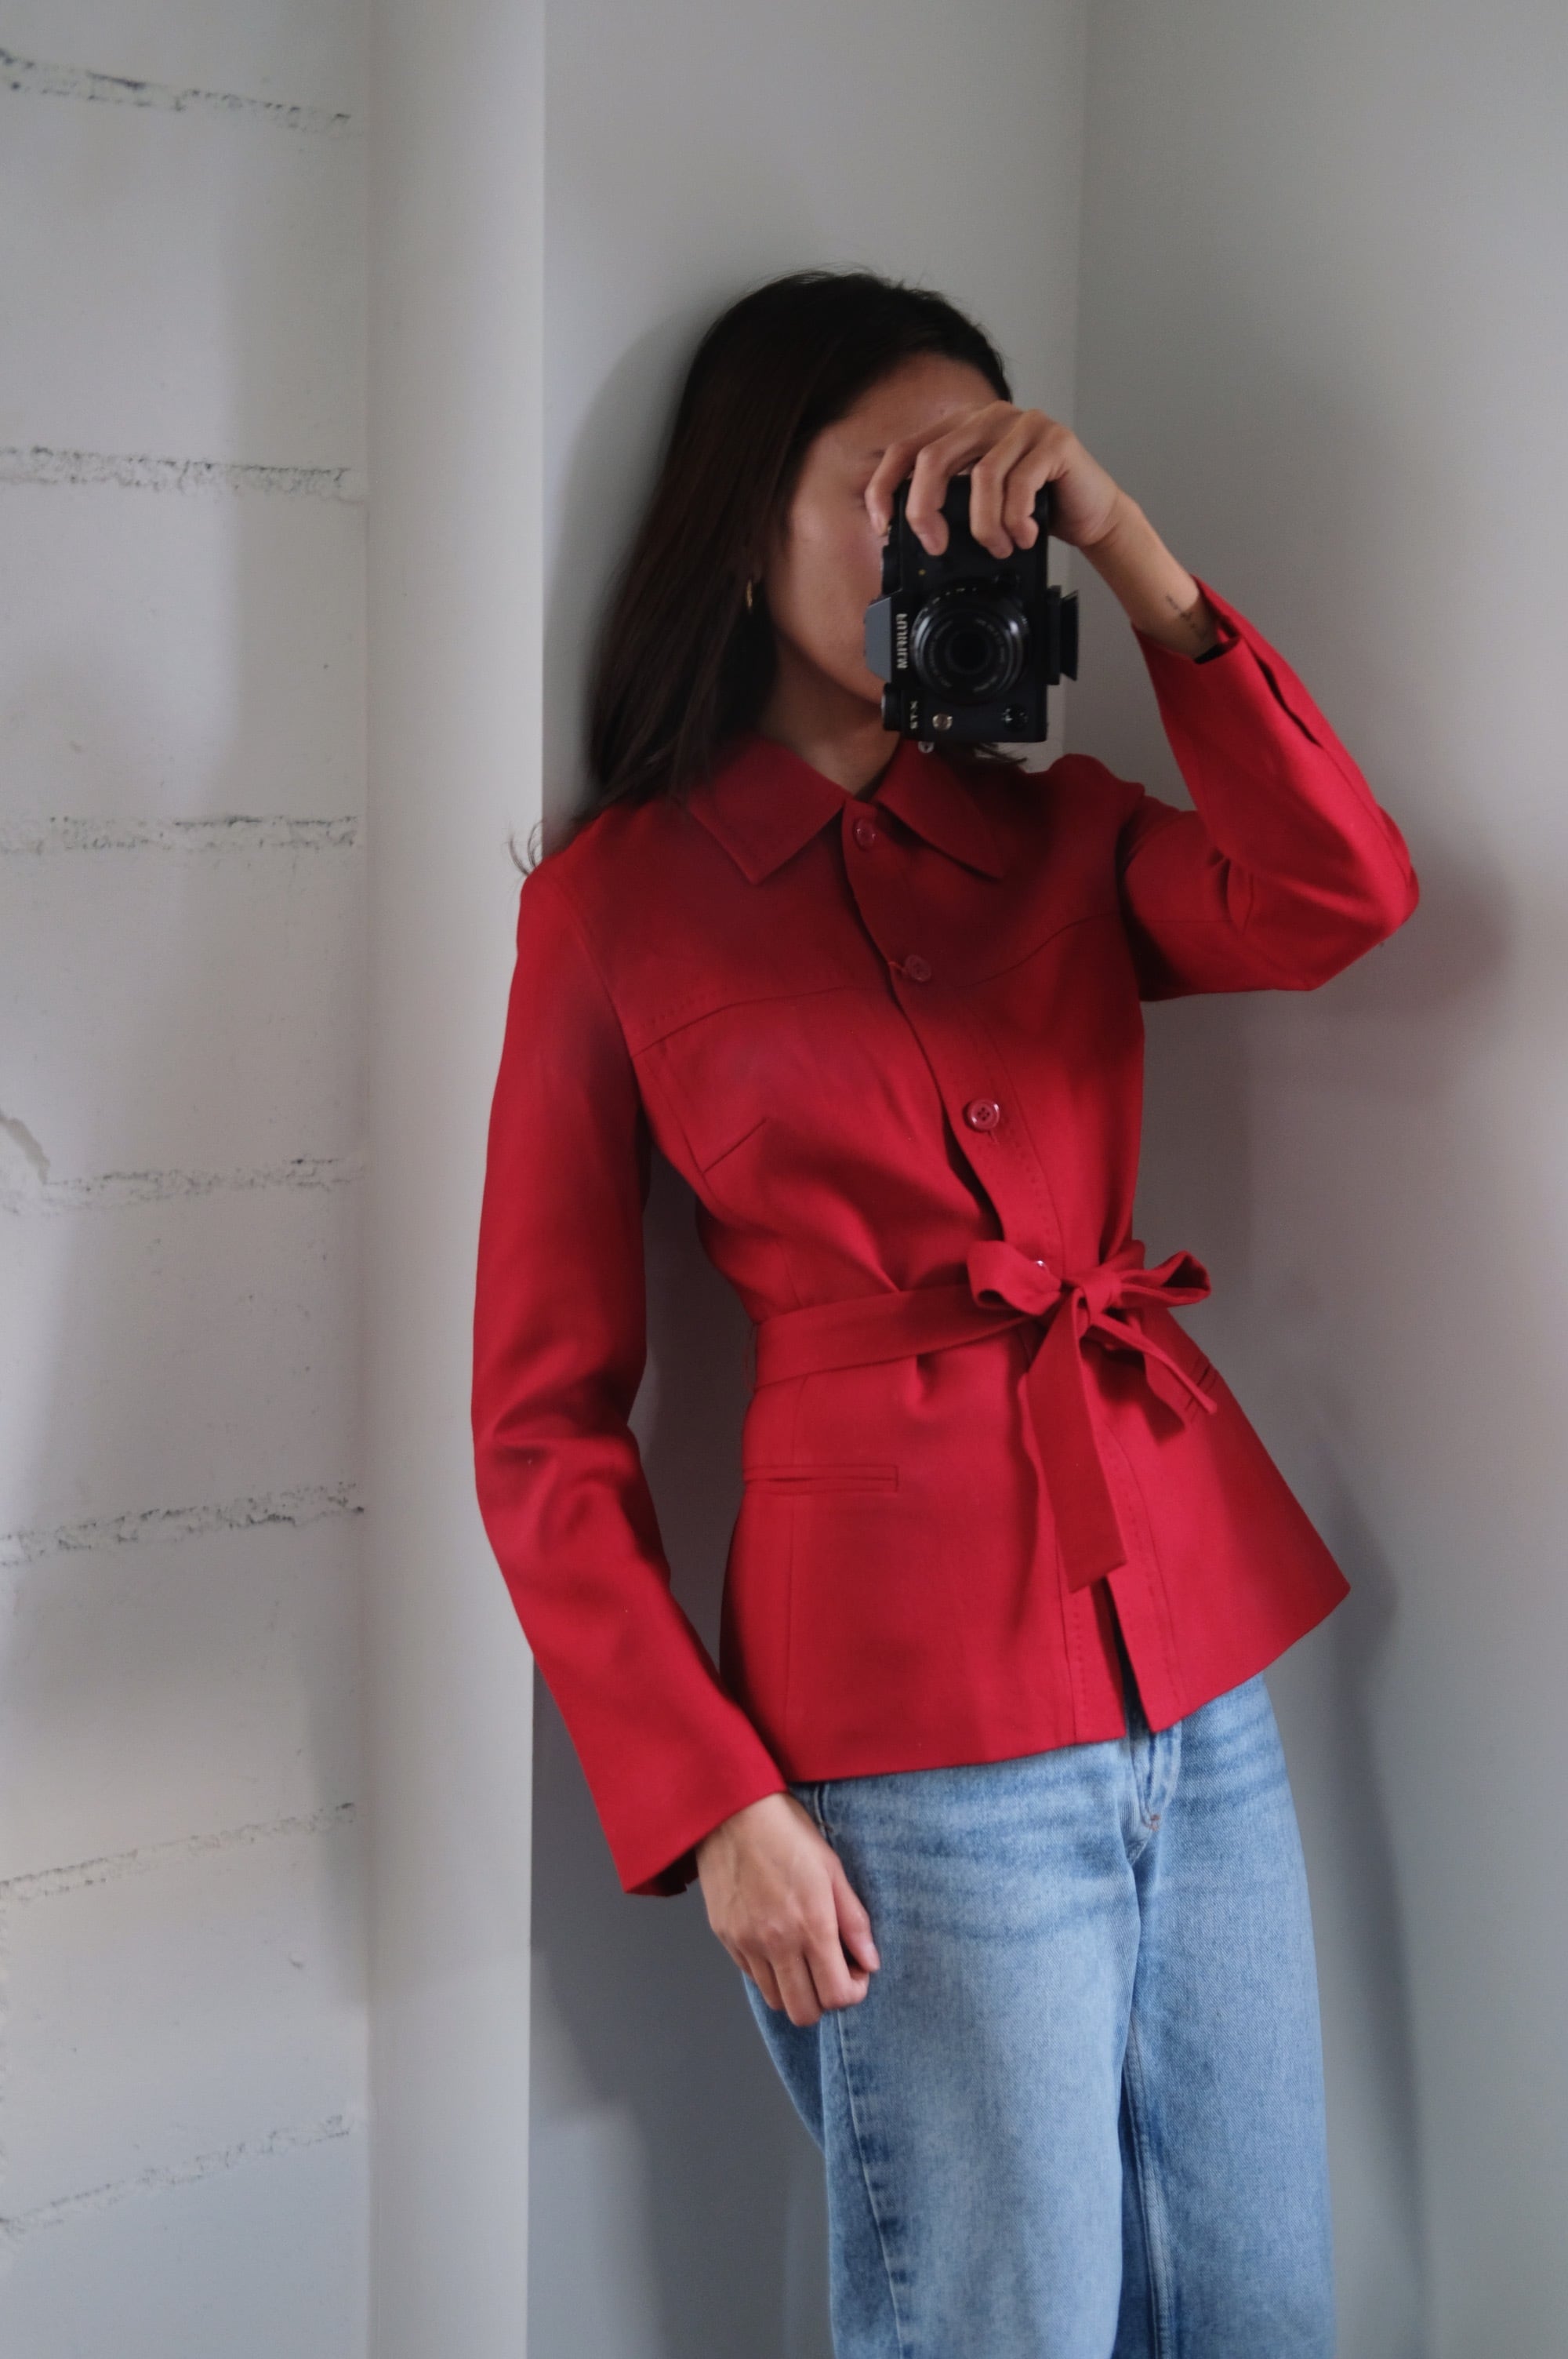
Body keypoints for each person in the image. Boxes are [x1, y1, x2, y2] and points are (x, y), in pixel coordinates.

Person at [470, 268, 1419, 2358]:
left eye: (982, 488)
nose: (943, 528)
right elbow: (540, 1419)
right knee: (1004, 2322)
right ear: (746, 524)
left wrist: (1131, 553)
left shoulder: (1058, 836)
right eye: (892, 482)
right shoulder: (613, 909)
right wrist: (714, 1799)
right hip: (905, 1749)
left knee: (1262, 2310)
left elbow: (1340, 894)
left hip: (1196, 1682)